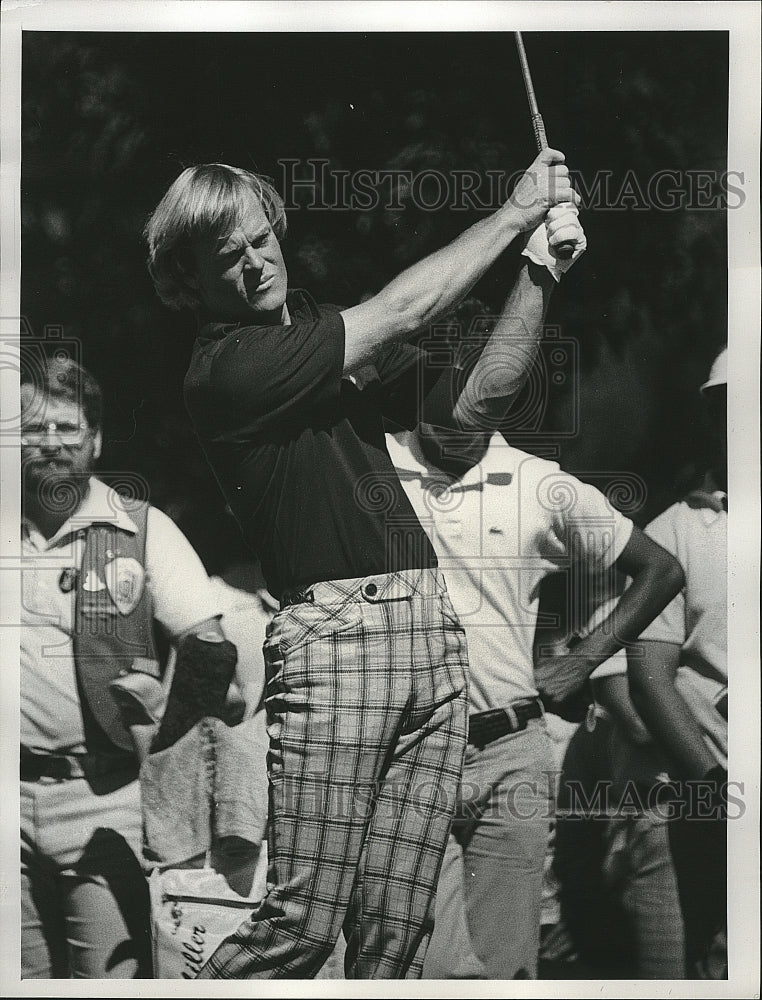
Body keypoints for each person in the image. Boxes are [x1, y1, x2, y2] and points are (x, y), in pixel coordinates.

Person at [143, 148, 585, 979]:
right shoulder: (227, 367)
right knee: (301, 923)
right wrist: (516, 212)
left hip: (429, 632)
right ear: (187, 283)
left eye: (259, 239)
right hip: (340, 643)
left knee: (396, 936)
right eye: (225, 258)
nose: (254, 264)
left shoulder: (317, 329)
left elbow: (465, 421)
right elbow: (401, 312)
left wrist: (537, 272)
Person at [387, 376, 685, 978]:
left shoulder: (538, 481)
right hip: (410, 752)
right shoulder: (379, 462)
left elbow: (659, 570)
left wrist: (582, 657)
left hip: (510, 749)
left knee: (508, 970)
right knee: (417, 964)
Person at [19, 357, 225, 979]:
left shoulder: (141, 529)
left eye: (67, 428)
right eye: (34, 429)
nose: (51, 444)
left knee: (109, 981)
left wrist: (163, 749)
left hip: (105, 798)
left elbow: (209, 649)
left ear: (97, 439)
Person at [625, 346, 729, 978]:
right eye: (726, 407)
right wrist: (710, 787)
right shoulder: (674, 531)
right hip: (715, 788)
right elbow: (649, 675)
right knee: (717, 956)